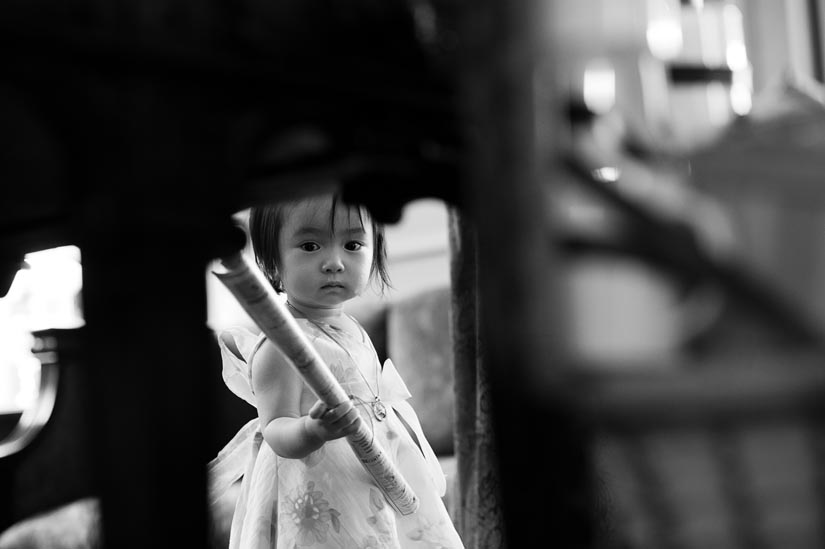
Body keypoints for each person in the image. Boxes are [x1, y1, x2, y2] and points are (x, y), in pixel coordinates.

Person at [210, 192, 465, 548]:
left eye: (352, 244)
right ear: (272, 261)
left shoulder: (353, 329)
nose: (334, 262)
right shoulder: (278, 346)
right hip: (317, 492)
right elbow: (274, 429)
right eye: (311, 245)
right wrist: (311, 430)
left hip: (374, 477)